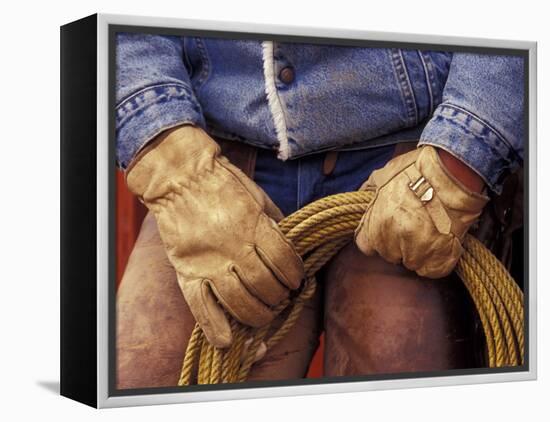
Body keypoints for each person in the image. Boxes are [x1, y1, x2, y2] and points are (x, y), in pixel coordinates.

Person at [114, 33, 524, 388]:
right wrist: (174, 167)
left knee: (401, 370)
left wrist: (461, 158)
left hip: (412, 155)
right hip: (215, 156)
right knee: (143, 377)